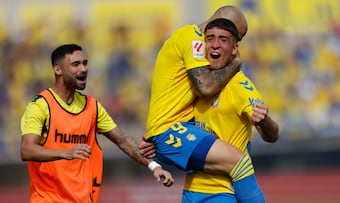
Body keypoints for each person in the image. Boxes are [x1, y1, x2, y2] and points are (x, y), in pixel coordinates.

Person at [20, 44, 174, 203]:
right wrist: (64, 153)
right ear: (58, 70)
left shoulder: (92, 106)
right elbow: (27, 150)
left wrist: (154, 166)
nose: (84, 69)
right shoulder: (40, 106)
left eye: (85, 63)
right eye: (76, 64)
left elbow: (122, 140)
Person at [144, 5, 266, 202]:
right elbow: (206, 87)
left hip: (180, 127)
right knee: (239, 162)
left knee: (234, 164)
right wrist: (235, 64)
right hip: (169, 129)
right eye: (236, 36)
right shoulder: (192, 38)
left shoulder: (198, 45)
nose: (236, 45)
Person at [181, 18, 279, 203]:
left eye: (223, 40)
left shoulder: (239, 86)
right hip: (190, 190)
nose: (215, 45)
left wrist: (264, 120)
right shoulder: (192, 83)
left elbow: (272, 135)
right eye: (210, 38)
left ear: (235, 49)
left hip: (223, 191)